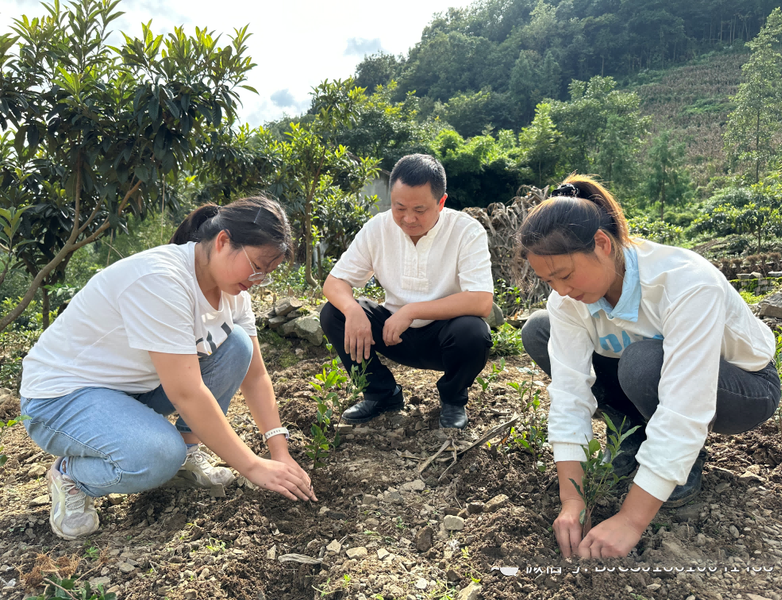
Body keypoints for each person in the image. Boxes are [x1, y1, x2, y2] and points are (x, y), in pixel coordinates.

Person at [20, 197, 317, 541]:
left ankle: (187, 455)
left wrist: (279, 453)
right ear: (223, 241)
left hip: (131, 390)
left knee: (237, 344)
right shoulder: (161, 279)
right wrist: (252, 466)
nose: (258, 279)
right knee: (159, 455)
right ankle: (72, 476)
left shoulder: (234, 293)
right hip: (60, 398)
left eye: (266, 274)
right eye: (256, 267)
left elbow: (255, 374)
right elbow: (186, 392)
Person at [518, 175, 779, 558]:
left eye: (566, 275)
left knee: (642, 362)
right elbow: (570, 395)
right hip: (647, 372)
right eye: (548, 280)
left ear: (602, 244)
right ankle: (630, 433)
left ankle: (682, 463)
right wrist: (572, 500)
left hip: (744, 387)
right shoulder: (567, 301)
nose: (561, 290)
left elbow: (686, 406)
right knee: (540, 329)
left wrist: (631, 519)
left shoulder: (684, 282)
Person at [320, 154, 494, 430]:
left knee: (473, 332)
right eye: (399, 208)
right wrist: (352, 310)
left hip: (444, 338)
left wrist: (412, 311)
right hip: (393, 334)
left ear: (441, 202)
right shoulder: (378, 228)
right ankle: (381, 393)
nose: (408, 218)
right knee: (334, 313)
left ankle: (453, 399)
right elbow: (334, 282)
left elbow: (481, 301)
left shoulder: (466, 231)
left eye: (420, 210)